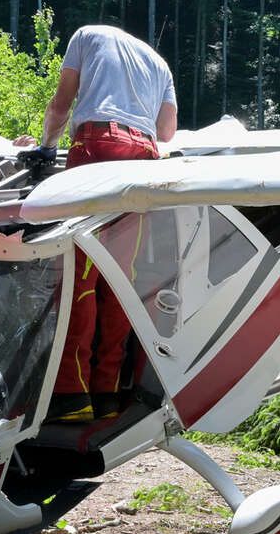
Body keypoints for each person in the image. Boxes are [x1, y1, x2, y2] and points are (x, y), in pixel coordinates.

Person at [21, 24, 177, 423]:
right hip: (142, 158)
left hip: (97, 148)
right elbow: (166, 132)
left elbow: (61, 104)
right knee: (120, 276)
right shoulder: (160, 64)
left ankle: (72, 394)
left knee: (80, 273)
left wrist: (47, 147)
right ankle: (108, 392)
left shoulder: (86, 36)